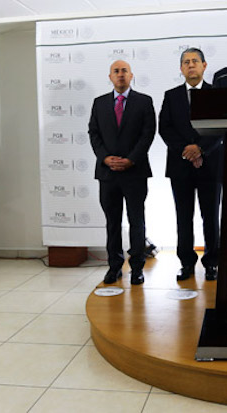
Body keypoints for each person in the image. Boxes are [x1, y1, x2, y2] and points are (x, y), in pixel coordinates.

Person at [88, 60, 156, 285]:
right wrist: (105, 158)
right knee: (112, 222)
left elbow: (148, 134)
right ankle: (114, 266)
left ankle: (137, 267)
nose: (120, 75)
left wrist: (130, 160)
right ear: (110, 77)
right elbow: (94, 133)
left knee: (137, 221)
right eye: (116, 71)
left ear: (131, 75)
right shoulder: (99, 103)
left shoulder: (144, 101)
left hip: (134, 172)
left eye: (124, 71)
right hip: (108, 174)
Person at [159, 48, 222, 282]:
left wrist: (200, 149)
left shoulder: (215, 94)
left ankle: (212, 262)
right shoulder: (171, 95)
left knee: (211, 217)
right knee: (183, 217)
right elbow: (165, 128)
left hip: (211, 164)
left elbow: (220, 128)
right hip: (180, 166)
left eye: (195, 61)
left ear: (204, 66)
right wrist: (187, 151)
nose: (191, 65)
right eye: (186, 62)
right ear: (181, 69)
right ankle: (186, 263)